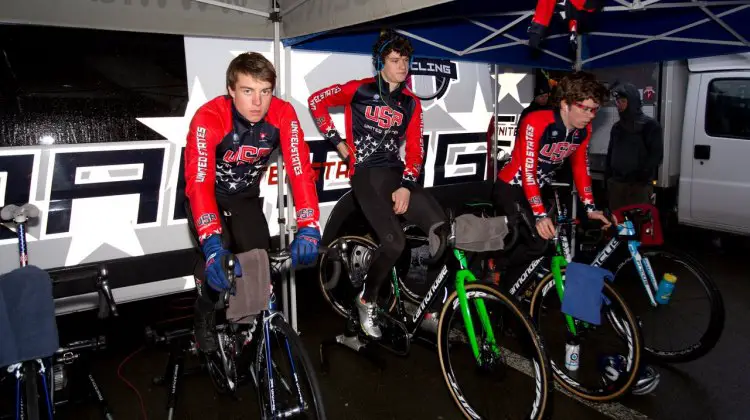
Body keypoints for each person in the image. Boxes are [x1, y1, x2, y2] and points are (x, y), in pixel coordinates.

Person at [307, 30, 446, 339]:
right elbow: (315, 101)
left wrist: (407, 185)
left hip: (395, 174)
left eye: (406, 60)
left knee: (440, 228)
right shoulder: (360, 90)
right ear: (380, 62)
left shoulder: (410, 103)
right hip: (366, 174)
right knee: (394, 243)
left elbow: (415, 150)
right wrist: (338, 143)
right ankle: (366, 300)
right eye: (395, 60)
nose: (402, 66)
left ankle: (426, 306)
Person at [184, 52, 321, 352]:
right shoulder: (209, 118)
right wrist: (211, 243)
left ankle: (250, 330)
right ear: (231, 90)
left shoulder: (283, 114)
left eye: (265, 92)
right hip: (210, 198)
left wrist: (309, 224)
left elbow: (300, 168)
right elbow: (199, 182)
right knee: (219, 269)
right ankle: (204, 311)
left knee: (259, 266)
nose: (258, 102)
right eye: (248, 91)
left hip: (244, 198)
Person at [493, 71, 612, 272]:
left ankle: (515, 281)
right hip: (512, 187)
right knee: (539, 242)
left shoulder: (583, 130)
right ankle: (496, 268)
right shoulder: (536, 121)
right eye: (585, 109)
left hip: (537, 190)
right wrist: (540, 215)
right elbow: (528, 171)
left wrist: (590, 208)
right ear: (566, 104)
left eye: (595, 110)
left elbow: (580, 168)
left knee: (547, 241)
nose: (591, 116)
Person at [605, 82, 663, 211]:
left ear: (632, 102)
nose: (619, 105)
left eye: (623, 101)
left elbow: (656, 155)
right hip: (617, 185)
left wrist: (641, 176)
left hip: (639, 187)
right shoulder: (617, 127)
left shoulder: (649, 125)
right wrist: (608, 179)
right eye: (617, 101)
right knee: (621, 226)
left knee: (639, 224)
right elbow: (610, 154)